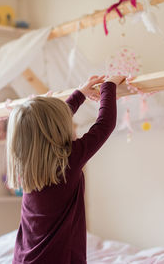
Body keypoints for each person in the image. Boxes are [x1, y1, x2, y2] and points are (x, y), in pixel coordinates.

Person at [7, 75, 126, 264]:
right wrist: (108, 87)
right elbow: (104, 124)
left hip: (24, 258)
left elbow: (46, 125)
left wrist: (80, 94)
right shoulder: (68, 160)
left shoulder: (26, 162)